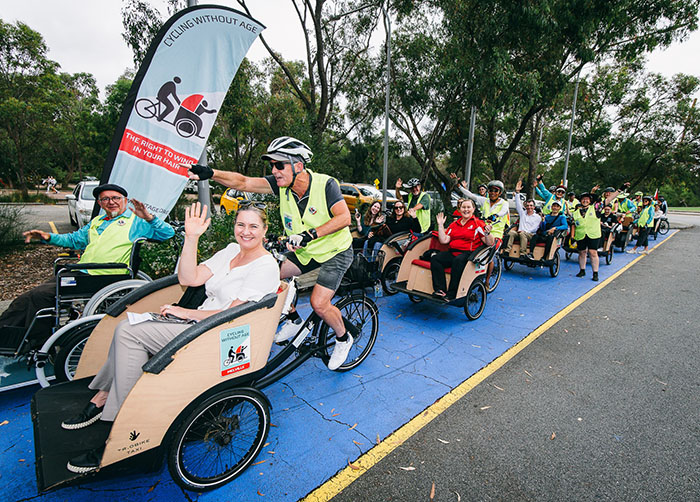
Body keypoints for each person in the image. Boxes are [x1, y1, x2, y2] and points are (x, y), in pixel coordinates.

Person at [61, 202, 280, 473]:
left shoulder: (265, 266)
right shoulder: (231, 251)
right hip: (197, 326)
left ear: (265, 230)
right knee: (125, 328)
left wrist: (184, 312)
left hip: (217, 336)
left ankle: (122, 420)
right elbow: (189, 278)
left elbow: (231, 315)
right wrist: (192, 237)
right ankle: (108, 396)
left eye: (253, 226)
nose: (245, 232)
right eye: (241, 225)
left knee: (129, 333)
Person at [185, 136, 356, 370]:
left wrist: (309, 235)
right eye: (272, 165)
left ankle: (343, 337)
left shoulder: (326, 185)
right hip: (306, 252)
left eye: (279, 165)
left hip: (335, 252)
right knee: (269, 276)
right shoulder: (281, 186)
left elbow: (344, 218)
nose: (274, 170)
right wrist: (211, 172)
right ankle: (295, 320)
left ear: (298, 165)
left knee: (319, 304)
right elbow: (244, 182)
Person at [0, 184, 175, 349]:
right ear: (99, 203)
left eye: (115, 198)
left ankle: (37, 343)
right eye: (105, 199)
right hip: (80, 273)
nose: (111, 202)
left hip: (105, 276)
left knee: (40, 297)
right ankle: (6, 336)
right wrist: (48, 237)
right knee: (25, 298)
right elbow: (73, 239)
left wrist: (149, 217)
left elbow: (168, 233)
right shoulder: (97, 221)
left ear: (125, 200)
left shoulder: (136, 222)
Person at [430, 199, 495, 299]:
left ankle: (452, 294)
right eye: (463, 207)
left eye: (468, 207)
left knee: (458, 261)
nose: (466, 210)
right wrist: (440, 225)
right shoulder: (454, 224)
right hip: (453, 252)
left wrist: (487, 233)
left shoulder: (478, 223)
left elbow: (490, 243)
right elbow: (444, 240)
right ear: (460, 209)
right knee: (435, 259)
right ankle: (440, 290)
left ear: (473, 209)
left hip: (468, 254)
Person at [454, 179, 509, 286]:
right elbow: (470, 195)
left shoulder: (504, 203)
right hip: (482, 232)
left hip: (495, 234)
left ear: (500, 193)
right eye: (491, 190)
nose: (492, 193)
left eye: (495, 191)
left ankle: (487, 281)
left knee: (489, 256)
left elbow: (503, 212)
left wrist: (496, 216)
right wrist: (458, 186)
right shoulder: (485, 201)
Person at [503, 179, 541, 254]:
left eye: (531, 206)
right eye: (527, 205)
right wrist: (517, 192)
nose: (529, 207)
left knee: (522, 234)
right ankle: (507, 251)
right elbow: (518, 204)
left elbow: (534, 229)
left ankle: (523, 253)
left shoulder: (537, 217)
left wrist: (524, 231)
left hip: (530, 234)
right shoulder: (523, 213)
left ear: (534, 207)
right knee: (511, 233)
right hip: (520, 232)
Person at [572, 192, 602, 281]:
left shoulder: (595, 208)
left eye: (587, 199)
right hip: (581, 235)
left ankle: (595, 272)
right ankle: (582, 270)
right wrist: (572, 236)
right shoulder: (576, 212)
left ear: (590, 201)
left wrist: (621, 189)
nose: (585, 201)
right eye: (583, 199)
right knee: (582, 252)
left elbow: (608, 200)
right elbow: (573, 224)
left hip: (593, 234)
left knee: (593, 253)